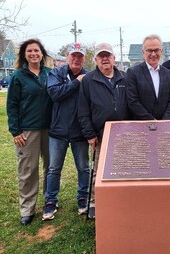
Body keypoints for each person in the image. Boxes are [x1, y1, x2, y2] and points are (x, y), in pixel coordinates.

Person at [78, 43, 130, 219]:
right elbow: (83, 110)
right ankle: (94, 202)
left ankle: (121, 198)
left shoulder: (125, 77)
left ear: (114, 58)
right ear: (96, 60)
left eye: (108, 55)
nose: (105, 58)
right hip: (101, 135)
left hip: (125, 133)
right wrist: (90, 134)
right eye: (101, 56)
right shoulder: (88, 80)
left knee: (124, 169)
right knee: (99, 170)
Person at [7, 38, 53, 225]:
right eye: (29, 51)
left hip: (50, 129)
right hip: (28, 130)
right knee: (28, 170)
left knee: (50, 168)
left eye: (36, 51)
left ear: (42, 53)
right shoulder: (18, 76)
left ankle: (50, 200)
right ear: (24, 55)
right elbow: (12, 105)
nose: (33, 54)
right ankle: (27, 209)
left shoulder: (50, 74)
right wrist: (16, 131)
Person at [42, 43, 90, 221]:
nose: (76, 59)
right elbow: (54, 94)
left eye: (80, 56)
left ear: (84, 58)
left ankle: (83, 198)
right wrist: (76, 83)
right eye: (73, 55)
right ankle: (51, 201)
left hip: (80, 132)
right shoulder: (56, 73)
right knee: (54, 169)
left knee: (84, 168)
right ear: (67, 56)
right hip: (58, 131)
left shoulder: (89, 75)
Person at [126, 34, 170, 120]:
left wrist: (165, 120)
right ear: (143, 52)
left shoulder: (168, 74)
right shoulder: (133, 72)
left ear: (161, 51)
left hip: (164, 126)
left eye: (156, 50)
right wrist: (152, 121)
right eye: (149, 50)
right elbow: (133, 101)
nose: (153, 54)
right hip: (142, 125)